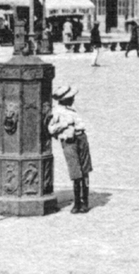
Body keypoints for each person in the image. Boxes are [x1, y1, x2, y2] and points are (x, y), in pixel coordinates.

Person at [47, 85, 92, 214]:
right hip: (69, 142)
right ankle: (77, 202)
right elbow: (51, 129)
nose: (73, 99)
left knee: (85, 170)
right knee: (75, 172)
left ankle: (85, 202)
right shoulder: (56, 112)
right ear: (64, 99)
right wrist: (64, 125)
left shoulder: (72, 109)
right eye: (71, 97)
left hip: (81, 138)